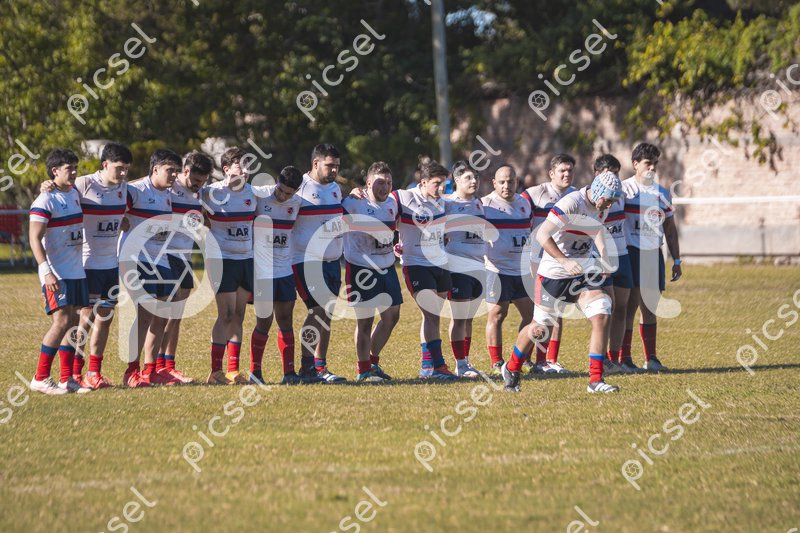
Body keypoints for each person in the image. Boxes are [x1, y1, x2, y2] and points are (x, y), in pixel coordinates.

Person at [502, 171, 624, 393]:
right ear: (598, 192)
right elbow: (542, 234)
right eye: (608, 199)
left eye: (613, 200)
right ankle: (511, 368)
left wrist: (604, 255)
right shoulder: (571, 203)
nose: (610, 204)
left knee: (602, 312)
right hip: (554, 274)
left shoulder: (602, 206)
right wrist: (564, 261)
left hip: (582, 272)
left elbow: (596, 228)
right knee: (540, 330)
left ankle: (595, 380)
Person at [39, 142, 132, 389]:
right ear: (105, 165)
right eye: (119, 168)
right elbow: (59, 190)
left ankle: (94, 372)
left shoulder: (125, 187)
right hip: (86, 264)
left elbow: (148, 186)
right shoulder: (83, 184)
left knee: (106, 317)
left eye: (127, 169)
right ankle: (74, 372)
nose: (123, 173)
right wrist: (46, 184)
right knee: (84, 320)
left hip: (111, 265)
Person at [29, 148, 91, 394]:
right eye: (69, 168)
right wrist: (46, 271)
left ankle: (67, 379)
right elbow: (34, 238)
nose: (74, 172)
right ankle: (40, 378)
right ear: (55, 171)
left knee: (73, 322)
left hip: (76, 270)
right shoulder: (45, 200)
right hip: (56, 272)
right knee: (62, 321)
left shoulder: (73, 193)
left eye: (76, 167)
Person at [119, 149, 182, 387]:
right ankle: (131, 371)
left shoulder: (168, 193)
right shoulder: (135, 191)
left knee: (162, 314)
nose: (174, 175)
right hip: (137, 258)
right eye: (170, 170)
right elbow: (110, 198)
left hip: (160, 258)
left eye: (176, 171)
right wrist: (120, 220)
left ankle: (150, 370)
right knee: (145, 314)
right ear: (155, 169)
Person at [393, 161, 457, 380]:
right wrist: (358, 192)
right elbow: (379, 204)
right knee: (431, 314)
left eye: (444, 184)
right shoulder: (404, 198)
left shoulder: (443, 202)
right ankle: (438, 366)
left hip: (440, 264)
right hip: (416, 264)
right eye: (437, 183)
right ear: (423, 182)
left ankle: (427, 367)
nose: (441, 188)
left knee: (432, 317)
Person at [622, 143, 682, 372]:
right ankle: (625, 358)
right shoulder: (624, 191)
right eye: (647, 163)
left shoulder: (662, 193)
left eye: (655, 163)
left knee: (650, 307)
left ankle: (651, 359)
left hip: (652, 253)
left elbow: (670, 229)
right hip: (630, 252)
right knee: (628, 307)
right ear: (635, 164)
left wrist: (677, 260)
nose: (652, 168)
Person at [291, 143, 347, 383]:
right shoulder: (299, 188)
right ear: (315, 163)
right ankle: (307, 368)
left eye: (337, 166)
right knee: (318, 310)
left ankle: (320, 367)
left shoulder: (336, 189)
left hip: (332, 261)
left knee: (326, 314)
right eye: (329, 165)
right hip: (306, 261)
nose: (334, 170)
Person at [341, 162, 401, 382]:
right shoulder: (353, 202)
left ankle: (372, 363)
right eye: (379, 182)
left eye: (388, 183)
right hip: (360, 267)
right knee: (365, 321)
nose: (385, 187)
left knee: (392, 315)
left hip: (387, 266)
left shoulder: (393, 203)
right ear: (367, 183)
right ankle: (363, 370)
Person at [157, 151, 214, 384]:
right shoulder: (169, 187)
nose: (199, 185)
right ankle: (156, 366)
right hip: (164, 256)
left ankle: (169, 366)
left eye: (203, 181)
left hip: (185, 257)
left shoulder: (201, 193)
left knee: (177, 315)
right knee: (164, 314)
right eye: (196, 180)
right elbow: (139, 186)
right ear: (186, 171)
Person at [203, 147, 257, 385]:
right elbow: (185, 193)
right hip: (221, 260)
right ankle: (215, 371)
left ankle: (233, 370)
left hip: (246, 259)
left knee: (239, 315)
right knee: (225, 314)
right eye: (239, 167)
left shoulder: (254, 193)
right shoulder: (211, 193)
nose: (245, 171)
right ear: (226, 169)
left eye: (247, 167)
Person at [520, 153, 577, 373]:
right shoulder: (534, 194)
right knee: (537, 314)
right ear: (551, 173)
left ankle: (547, 360)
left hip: (562, 262)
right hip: (537, 261)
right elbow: (519, 219)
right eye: (562, 170)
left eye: (570, 170)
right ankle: (524, 359)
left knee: (556, 312)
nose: (566, 174)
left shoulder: (576, 196)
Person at [249, 166, 305, 385]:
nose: (282, 196)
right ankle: (255, 372)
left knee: (286, 320)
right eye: (280, 190)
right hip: (261, 270)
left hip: (284, 270)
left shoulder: (297, 203)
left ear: (296, 191)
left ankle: (289, 373)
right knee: (264, 321)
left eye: (288, 193)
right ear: (276, 182)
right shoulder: (259, 196)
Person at [482, 165, 534, 376]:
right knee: (497, 314)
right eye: (502, 182)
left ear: (516, 182)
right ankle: (496, 363)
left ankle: (522, 358)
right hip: (496, 268)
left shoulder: (524, 203)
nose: (506, 186)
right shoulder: (484, 205)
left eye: (510, 181)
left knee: (532, 317)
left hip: (522, 270)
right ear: (494, 183)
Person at [443, 160, 485, 378]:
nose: (474, 181)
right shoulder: (447, 203)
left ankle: (465, 361)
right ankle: (460, 364)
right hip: (457, 267)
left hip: (479, 266)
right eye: (468, 177)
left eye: (476, 177)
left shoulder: (480, 203)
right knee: (459, 318)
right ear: (456, 180)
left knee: (469, 318)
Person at [592, 154, 630, 376]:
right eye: (609, 173)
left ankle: (614, 358)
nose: (614, 177)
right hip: (601, 258)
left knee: (621, 308)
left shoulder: (621, 195)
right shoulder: (592, 197)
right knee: (607, 306)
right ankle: (602, 358)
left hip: (622, 254)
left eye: (616, 173)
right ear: (597, 174)